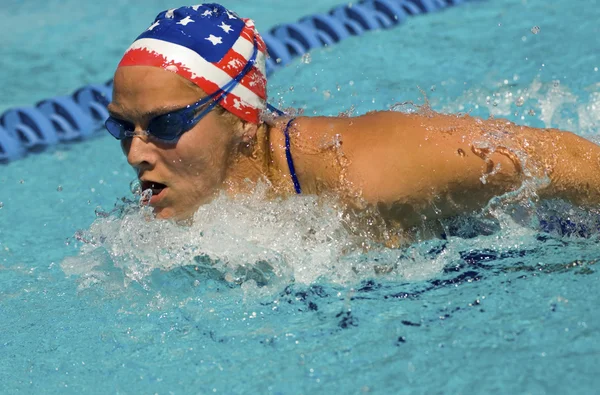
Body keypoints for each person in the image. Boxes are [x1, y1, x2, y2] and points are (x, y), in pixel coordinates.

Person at [105, 3, 600, 236]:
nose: (136, 153)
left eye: (165, 125)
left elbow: (562, 158)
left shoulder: (370, 169)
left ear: (242, 118)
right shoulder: (172, 208)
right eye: (123, 128)